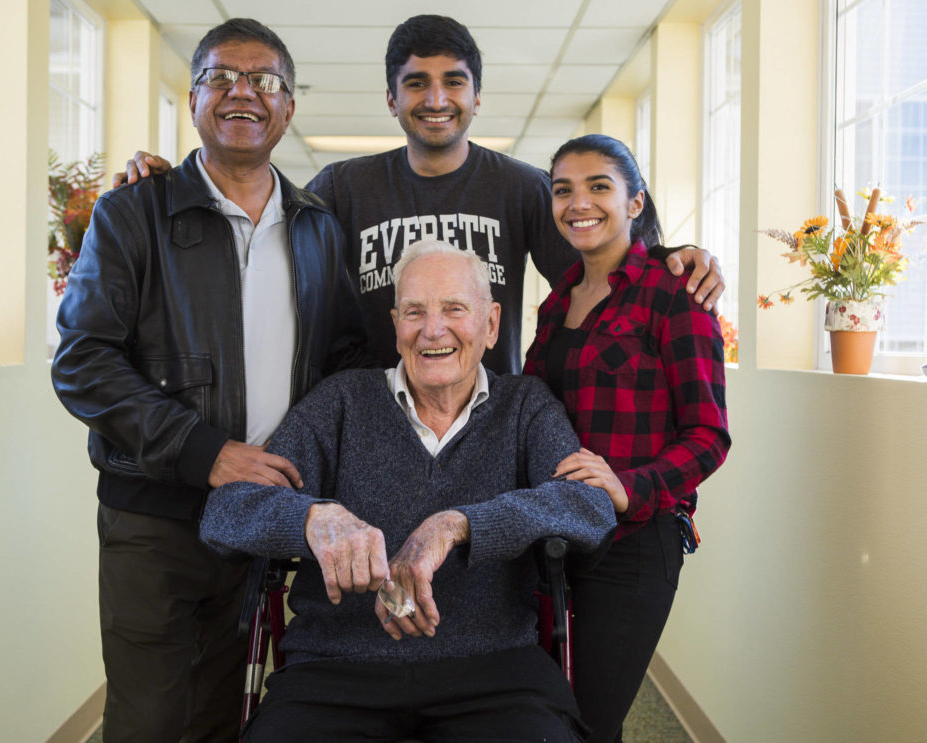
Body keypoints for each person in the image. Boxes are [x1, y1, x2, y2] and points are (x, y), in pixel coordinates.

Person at [51, 18, 367, 743]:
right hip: (155, 514)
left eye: (264, 81)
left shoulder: (317, 226)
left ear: (288, 107)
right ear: (192, 99)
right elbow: (82, 360)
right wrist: (205, 451)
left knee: (230, 704)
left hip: (261, 516)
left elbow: (344, 359)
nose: (242, 93)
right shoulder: (133, 213)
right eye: (221, 77)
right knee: (153, 715)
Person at [116, 14, 725, 374]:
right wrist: (173, 182)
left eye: (453, 82)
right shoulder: (343, 188)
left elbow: (604, 260)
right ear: (392, 99)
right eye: (416, 84)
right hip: (376, 432)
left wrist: (680, 254)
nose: (436, 99)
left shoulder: (519, 187)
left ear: (477, 97)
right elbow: (255, 227)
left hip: (486, 429)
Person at [199, 240, 617, 743]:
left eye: (454, 309)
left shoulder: (526, 406)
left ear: (490, 324)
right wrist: (314, 518)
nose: (432, 329)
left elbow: (589, 506)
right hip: (337, 670)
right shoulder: (340, 401)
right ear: (396, 324)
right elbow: (225, 513)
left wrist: (457, 525)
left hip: (495, 673)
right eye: (415, 311)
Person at [523, 134, 731, 742]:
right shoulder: (557, 301)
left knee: (590, 720)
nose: (577, 202)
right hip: (555, 534)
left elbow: (709, 434)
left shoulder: (675, 294)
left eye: (598, 187)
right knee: (547, 711)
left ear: (635, 202)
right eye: (563, 190)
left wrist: (628, 487)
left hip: (634, 543)